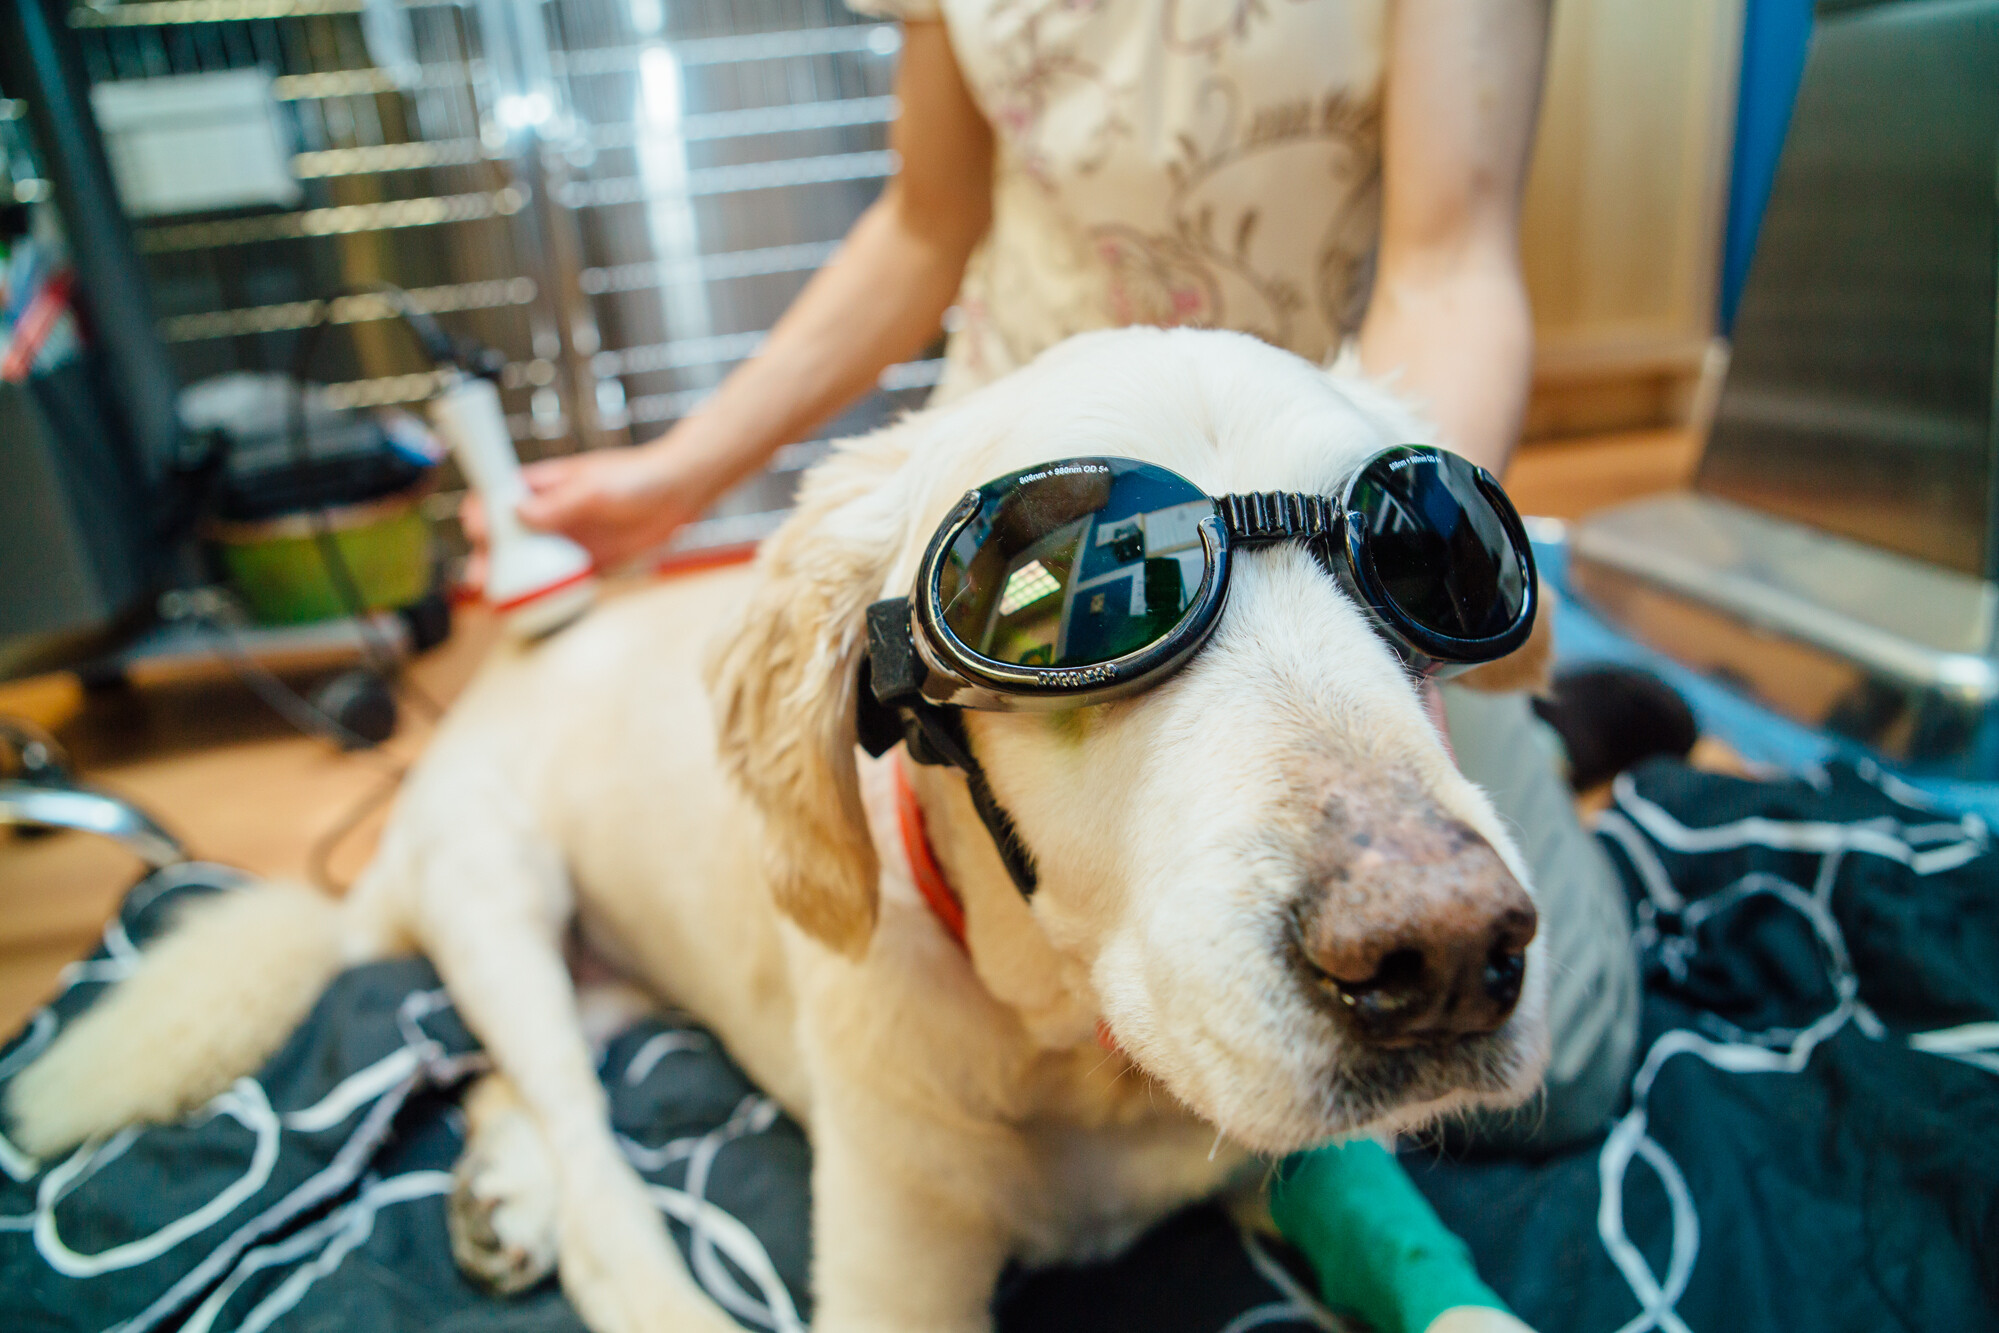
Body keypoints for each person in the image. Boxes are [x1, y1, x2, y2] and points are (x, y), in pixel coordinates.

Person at [467, 0, 1638, 1150]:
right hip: (1017, 526)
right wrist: (677, 480)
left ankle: (1533, 737)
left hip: (1316, 466)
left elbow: (1449, 268)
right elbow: (927, 221)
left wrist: (1408, 594)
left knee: (1566, 1068)